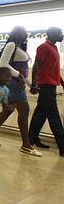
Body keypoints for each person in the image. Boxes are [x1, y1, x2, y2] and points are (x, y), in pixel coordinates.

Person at [0, 26, 42, 157]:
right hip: (13, 83)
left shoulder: (20, 47)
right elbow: (3, 63)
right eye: (24, 31)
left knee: (8, 110)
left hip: (17, 82)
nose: (27, 33)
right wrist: (18, 75)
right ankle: (26, 145)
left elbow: (23, 74)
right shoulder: (11, 45)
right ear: (19, 33)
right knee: (24, 109)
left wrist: (31, 85)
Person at [29, 27, 64, 155]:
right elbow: (36, 65)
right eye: (60, 33)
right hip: (45, 85)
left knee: (41, 114)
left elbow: (53, 68)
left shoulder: (54, 48)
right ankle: (62, 146)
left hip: (51, 85)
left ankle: (31, 138)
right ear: (53, 34)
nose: (62, 35)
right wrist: (33, 84)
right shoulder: (44, 47)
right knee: (53, 115)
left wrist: (62, 83)